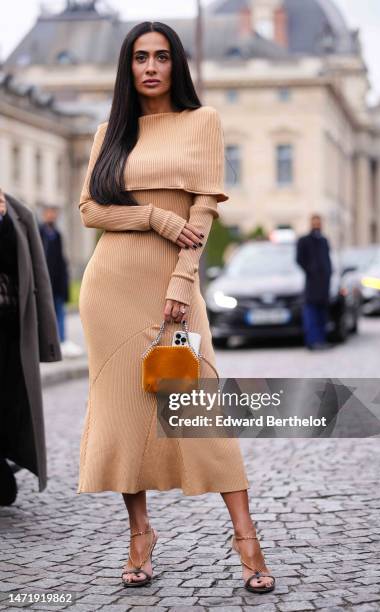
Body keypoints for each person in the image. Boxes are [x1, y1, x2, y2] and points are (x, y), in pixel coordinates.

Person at [76, 21, 275, 594]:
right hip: (109, 290)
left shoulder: (202, 122)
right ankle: (140, 534)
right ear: (128, 66)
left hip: (173, 291)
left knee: (198, 410)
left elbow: (204, 208)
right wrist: (153, 217)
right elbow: (91, 210)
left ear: (176, 64)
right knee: (122, 414)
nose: (151, 67)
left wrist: (182, 285)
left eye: (162, 56)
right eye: (140, 57)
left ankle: (247, 540)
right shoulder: (109, 133)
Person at [0, 189, 62, 504]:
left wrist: (1, 222)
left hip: (7, 328)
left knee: (8, 403)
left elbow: (35, 274)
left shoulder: (15, 212)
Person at [39, 204, 83, 359]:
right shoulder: (40, 233)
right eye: (49, 213)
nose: (52, 216)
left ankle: (62, 341)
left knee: (60, 312)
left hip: (57, 284)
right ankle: (47, 343)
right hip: (44, 284)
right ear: (44, 214)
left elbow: (60, 261)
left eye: (54, 213)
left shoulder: (57, 235)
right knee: (44, 315)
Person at [296, 214, 333, 350]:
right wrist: (311, 270)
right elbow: (299, 259)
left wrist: (329, 273)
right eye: (315, 223)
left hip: (324, 284)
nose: (317, 225)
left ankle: (322, 340)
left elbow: (327, 260)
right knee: (311, 315)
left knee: (322, 315)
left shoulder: (323, 240)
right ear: (311, 223)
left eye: (319, 223)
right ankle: (312, 341)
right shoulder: (304, 241)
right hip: (312, 284)